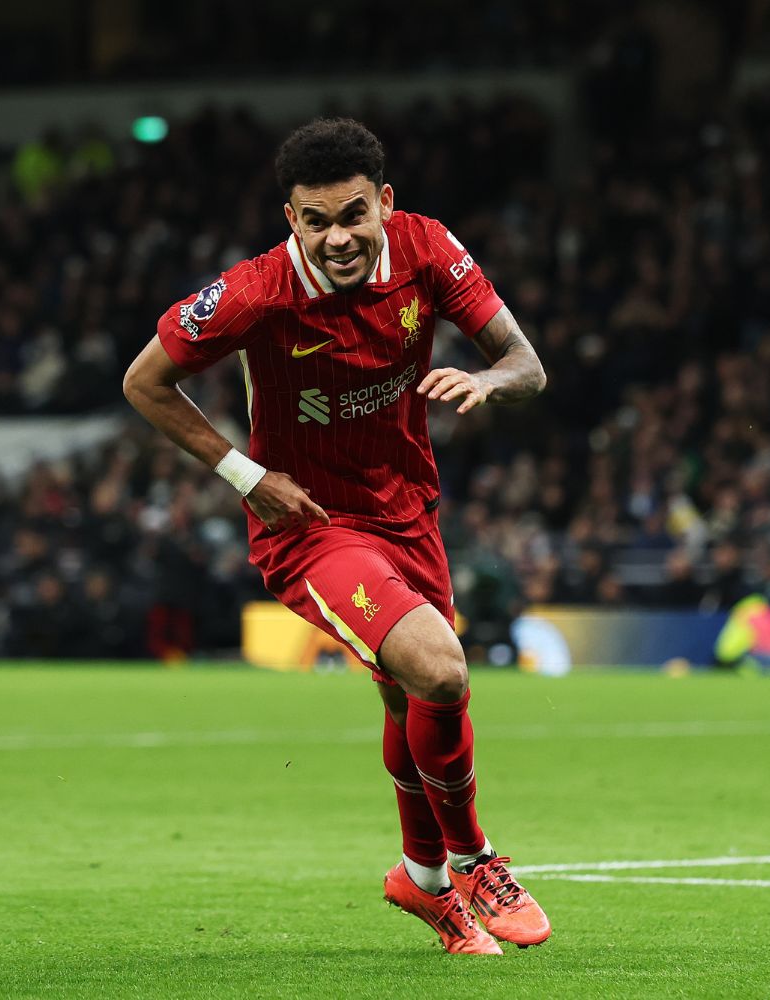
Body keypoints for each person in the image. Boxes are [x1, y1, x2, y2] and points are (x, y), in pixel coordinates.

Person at [123, 119, 550, 954]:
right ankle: (473, 859)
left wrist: (488, 380)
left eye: (353, 214)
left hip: (409, 512)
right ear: (291, 219)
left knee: (408, 695)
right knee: (441, 667)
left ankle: (421, 883)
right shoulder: (254, 292)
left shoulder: (427, 250)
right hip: (312, 526)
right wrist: (247, 476)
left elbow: (527, 364)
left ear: (384, 203)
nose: (337, 237)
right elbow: (145, 381)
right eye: (315, 221)